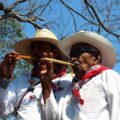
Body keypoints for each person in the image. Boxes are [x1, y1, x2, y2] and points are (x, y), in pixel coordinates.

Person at [0, 29, 72, 120]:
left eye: (41, 47)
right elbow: (1, 110)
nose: (35, 52)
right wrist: (3, 78)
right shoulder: (22, 80)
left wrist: (47, 86)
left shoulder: (68, 82)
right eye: (33, 48)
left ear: (55, 53)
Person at [50, 31, 120, 120]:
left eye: (78, 52)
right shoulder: (68, 89)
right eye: (71, 55)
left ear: (96, 58)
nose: (73, 58)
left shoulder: (108, 76)